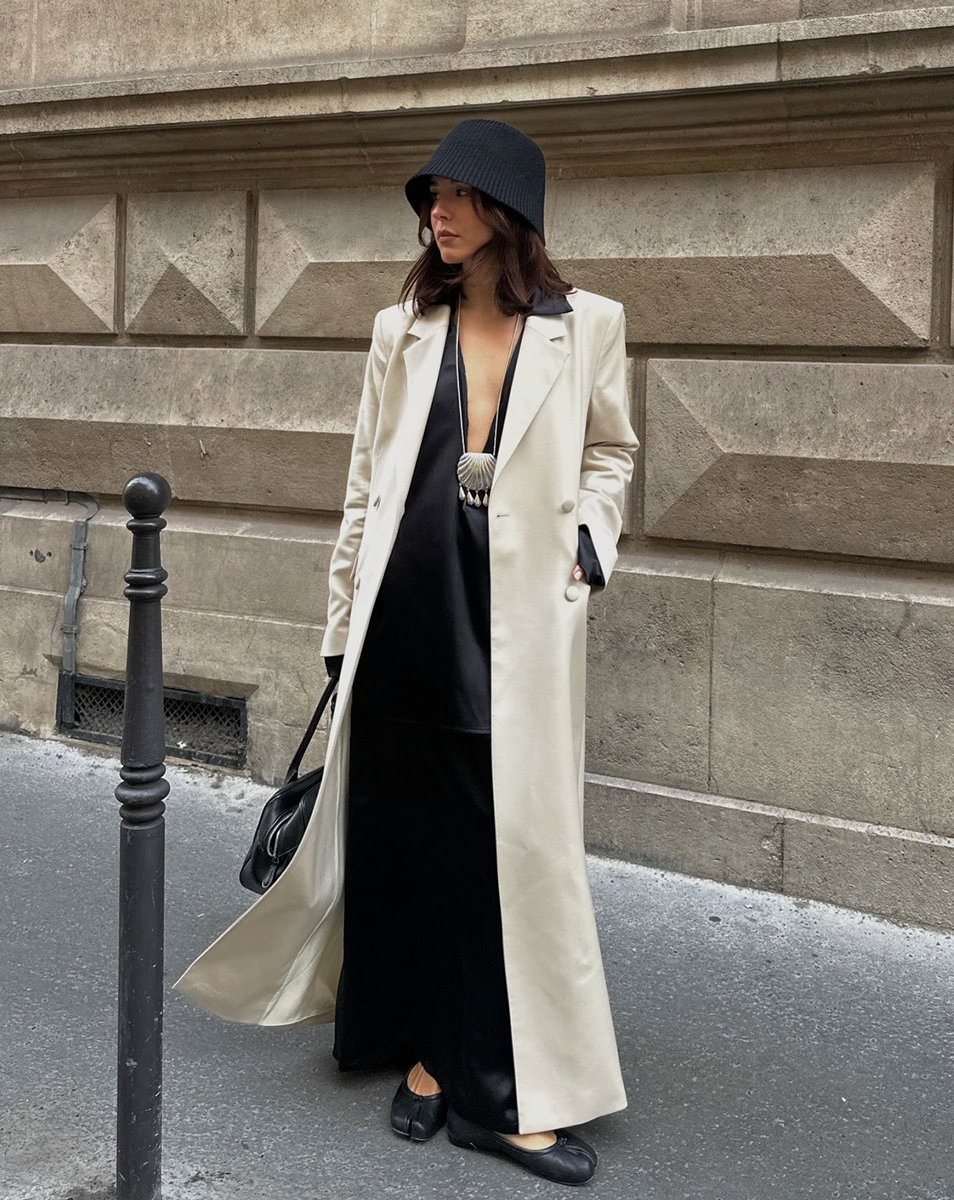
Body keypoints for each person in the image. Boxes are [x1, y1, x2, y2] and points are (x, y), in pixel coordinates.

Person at [171, 117, 638, 1188]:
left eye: (457, 196)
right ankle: (428, 1058)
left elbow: (612, 450)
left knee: (499, 856)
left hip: (513, 628)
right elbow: (362, 490)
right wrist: (341, 633)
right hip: (404, 617)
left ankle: (500, 1096)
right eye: (429, 197)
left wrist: (589, 546)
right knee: (416, 847)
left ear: (507, 211)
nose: (436, 212)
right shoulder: (402, 330)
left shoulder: (588, 326)